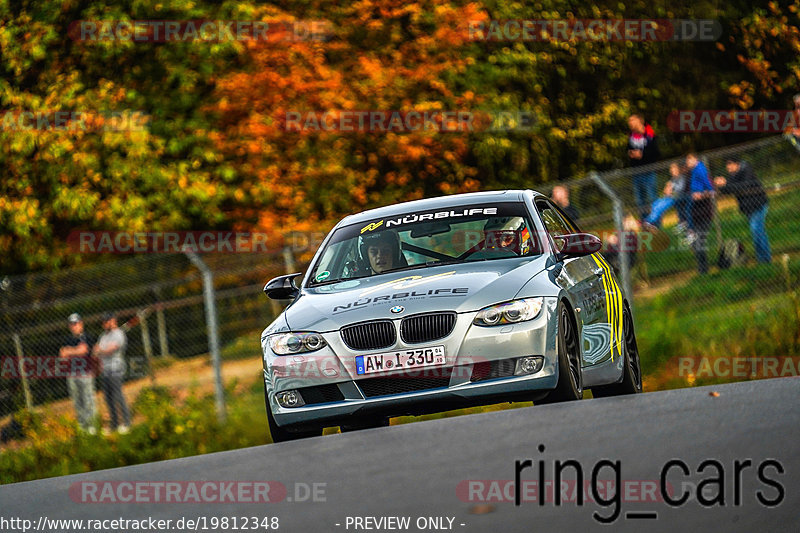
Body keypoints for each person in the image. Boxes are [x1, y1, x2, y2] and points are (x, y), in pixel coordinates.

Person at [714, 158, 771, 264]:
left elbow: (744, 185)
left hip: (758, 205)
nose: (728, 167)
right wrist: (721, 185)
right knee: (758, 232)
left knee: (756, 231)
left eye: (730, 165)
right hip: (749, 208)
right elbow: (729, 189)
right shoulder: (733, 175)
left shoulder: (746, 170)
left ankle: (765, 259)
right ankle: (763, 259)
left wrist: (726, 184)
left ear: (737, 164)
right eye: (727, 165)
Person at [59, 313, 97, 433]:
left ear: (81, 324)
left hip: (85, 372)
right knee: (77, 401)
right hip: (72, 373)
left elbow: (84, 350)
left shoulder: (87, 337)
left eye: (76, 324)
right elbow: (63, 356)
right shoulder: (67, 339)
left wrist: (69, 351)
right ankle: (82, 426)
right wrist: (74, 351)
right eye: (71, 324)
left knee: (88, 399)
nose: (74, 326)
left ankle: (92, 425)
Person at [93, 312, 131, 433]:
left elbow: (110, 349)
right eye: (103, 321)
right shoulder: (103, 336)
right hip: (105, 370)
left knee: (117, 395)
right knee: (108, 398)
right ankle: (114, 425)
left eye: (107, 321)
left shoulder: (119, 334)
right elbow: (95, 351)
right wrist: (100, 350)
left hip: (115, 368)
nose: (104, 324)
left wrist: (100, 350)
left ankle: (126, 423)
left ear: (113, 321)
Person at [686, 153, 715, 274]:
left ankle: (704, 270)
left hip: (703, 213)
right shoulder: (692, 172)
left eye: (689, 160)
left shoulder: (700, 168)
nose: (688, 163)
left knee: (699, 242)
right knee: (696, 242)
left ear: (695, 159)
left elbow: (706, 181)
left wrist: (708, 191)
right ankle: (702, 269)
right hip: (695, 214)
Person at [627, 114, 660, 220]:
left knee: (652, 198)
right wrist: (632, 153)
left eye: (633, 121)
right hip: (636, 172)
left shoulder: (650, 134)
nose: (630, 123)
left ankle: (655, 222)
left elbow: (656, 152)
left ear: (640, 121)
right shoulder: (631, 137)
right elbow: (628, 150)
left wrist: (642, 154)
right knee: (640, 201)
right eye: (629, 121)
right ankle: (644, 222)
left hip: (649, 171)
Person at [644, 162, 691, 229]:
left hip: (679, 197)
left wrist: (671, 189)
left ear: (678, 169)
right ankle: (652, 223)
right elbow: (665, 191)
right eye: (671, 169)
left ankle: (649, 221)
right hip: (671, 197)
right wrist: (668, 189)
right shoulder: (673, 179)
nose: (671, 171)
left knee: (661, 206)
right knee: (655, 203)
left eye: (673, 169)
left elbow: (680, 188)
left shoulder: (681, 177)